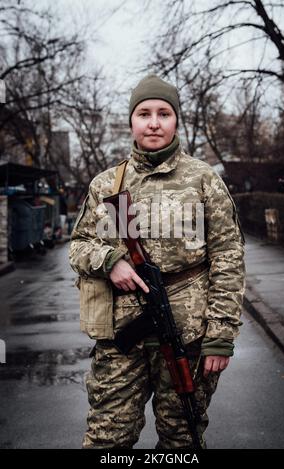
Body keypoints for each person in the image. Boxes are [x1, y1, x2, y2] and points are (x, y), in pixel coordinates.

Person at [69, 74, 245, 449]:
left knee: (182, 439)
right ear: (131, 120)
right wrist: (110, 260)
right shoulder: (109, 185)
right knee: (106, 440)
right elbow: (80, 245)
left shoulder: (203, 180)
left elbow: (228, 257)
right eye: (144, 113)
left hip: (189, 337)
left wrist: (220, 335)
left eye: (164, 113)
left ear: (176, 120)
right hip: (122, 337)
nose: (153, 122)